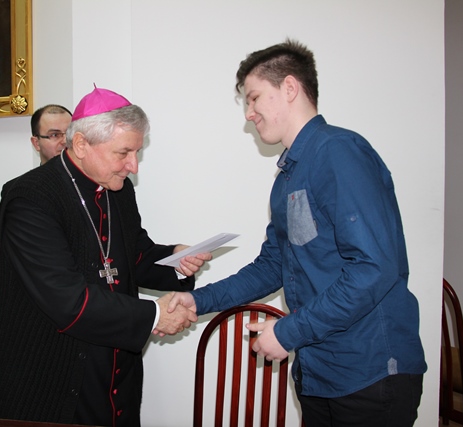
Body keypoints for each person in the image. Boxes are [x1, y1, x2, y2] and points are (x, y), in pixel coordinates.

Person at [166, 39, 427, 427]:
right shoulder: (287, 177)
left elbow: (374, 268)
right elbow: (272, 267)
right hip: (319, 373)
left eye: (254, 99)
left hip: (369, 372)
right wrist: (197, 300)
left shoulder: (339, 152)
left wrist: (289, 331)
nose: (249, 114)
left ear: (289, 87)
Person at [0, 86, 211, 427]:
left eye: (137, 152)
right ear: (81, 145)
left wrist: (176, 261)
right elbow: (65, 298)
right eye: (124, 152)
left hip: (113, 367)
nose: (133, 166)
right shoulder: (30, 197)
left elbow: (133, 255)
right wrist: (154, 315)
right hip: (49, 371)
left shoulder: (117, 188)